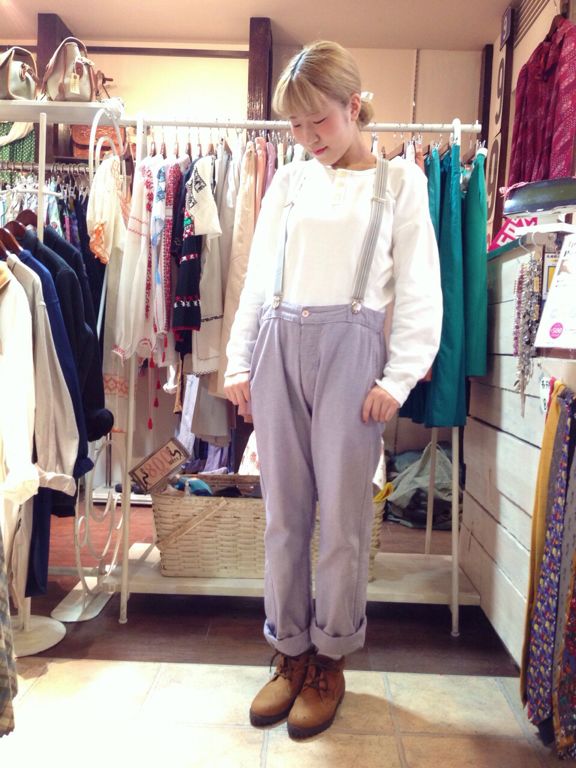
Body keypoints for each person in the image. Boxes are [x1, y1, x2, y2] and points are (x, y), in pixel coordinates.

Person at [224, 40, 442, 740]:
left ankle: (331, 658)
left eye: (317, 120)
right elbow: (258, 277)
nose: (306, 136)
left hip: (353, 356)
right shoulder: (289, 182)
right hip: (278, 347)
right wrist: (238, 361)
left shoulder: (399, 182)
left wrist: (399, 376)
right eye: (294, 124)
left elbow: (421, 287)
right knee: (283, 516)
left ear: (354, 105)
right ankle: (288, 649)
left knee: (344, 521)